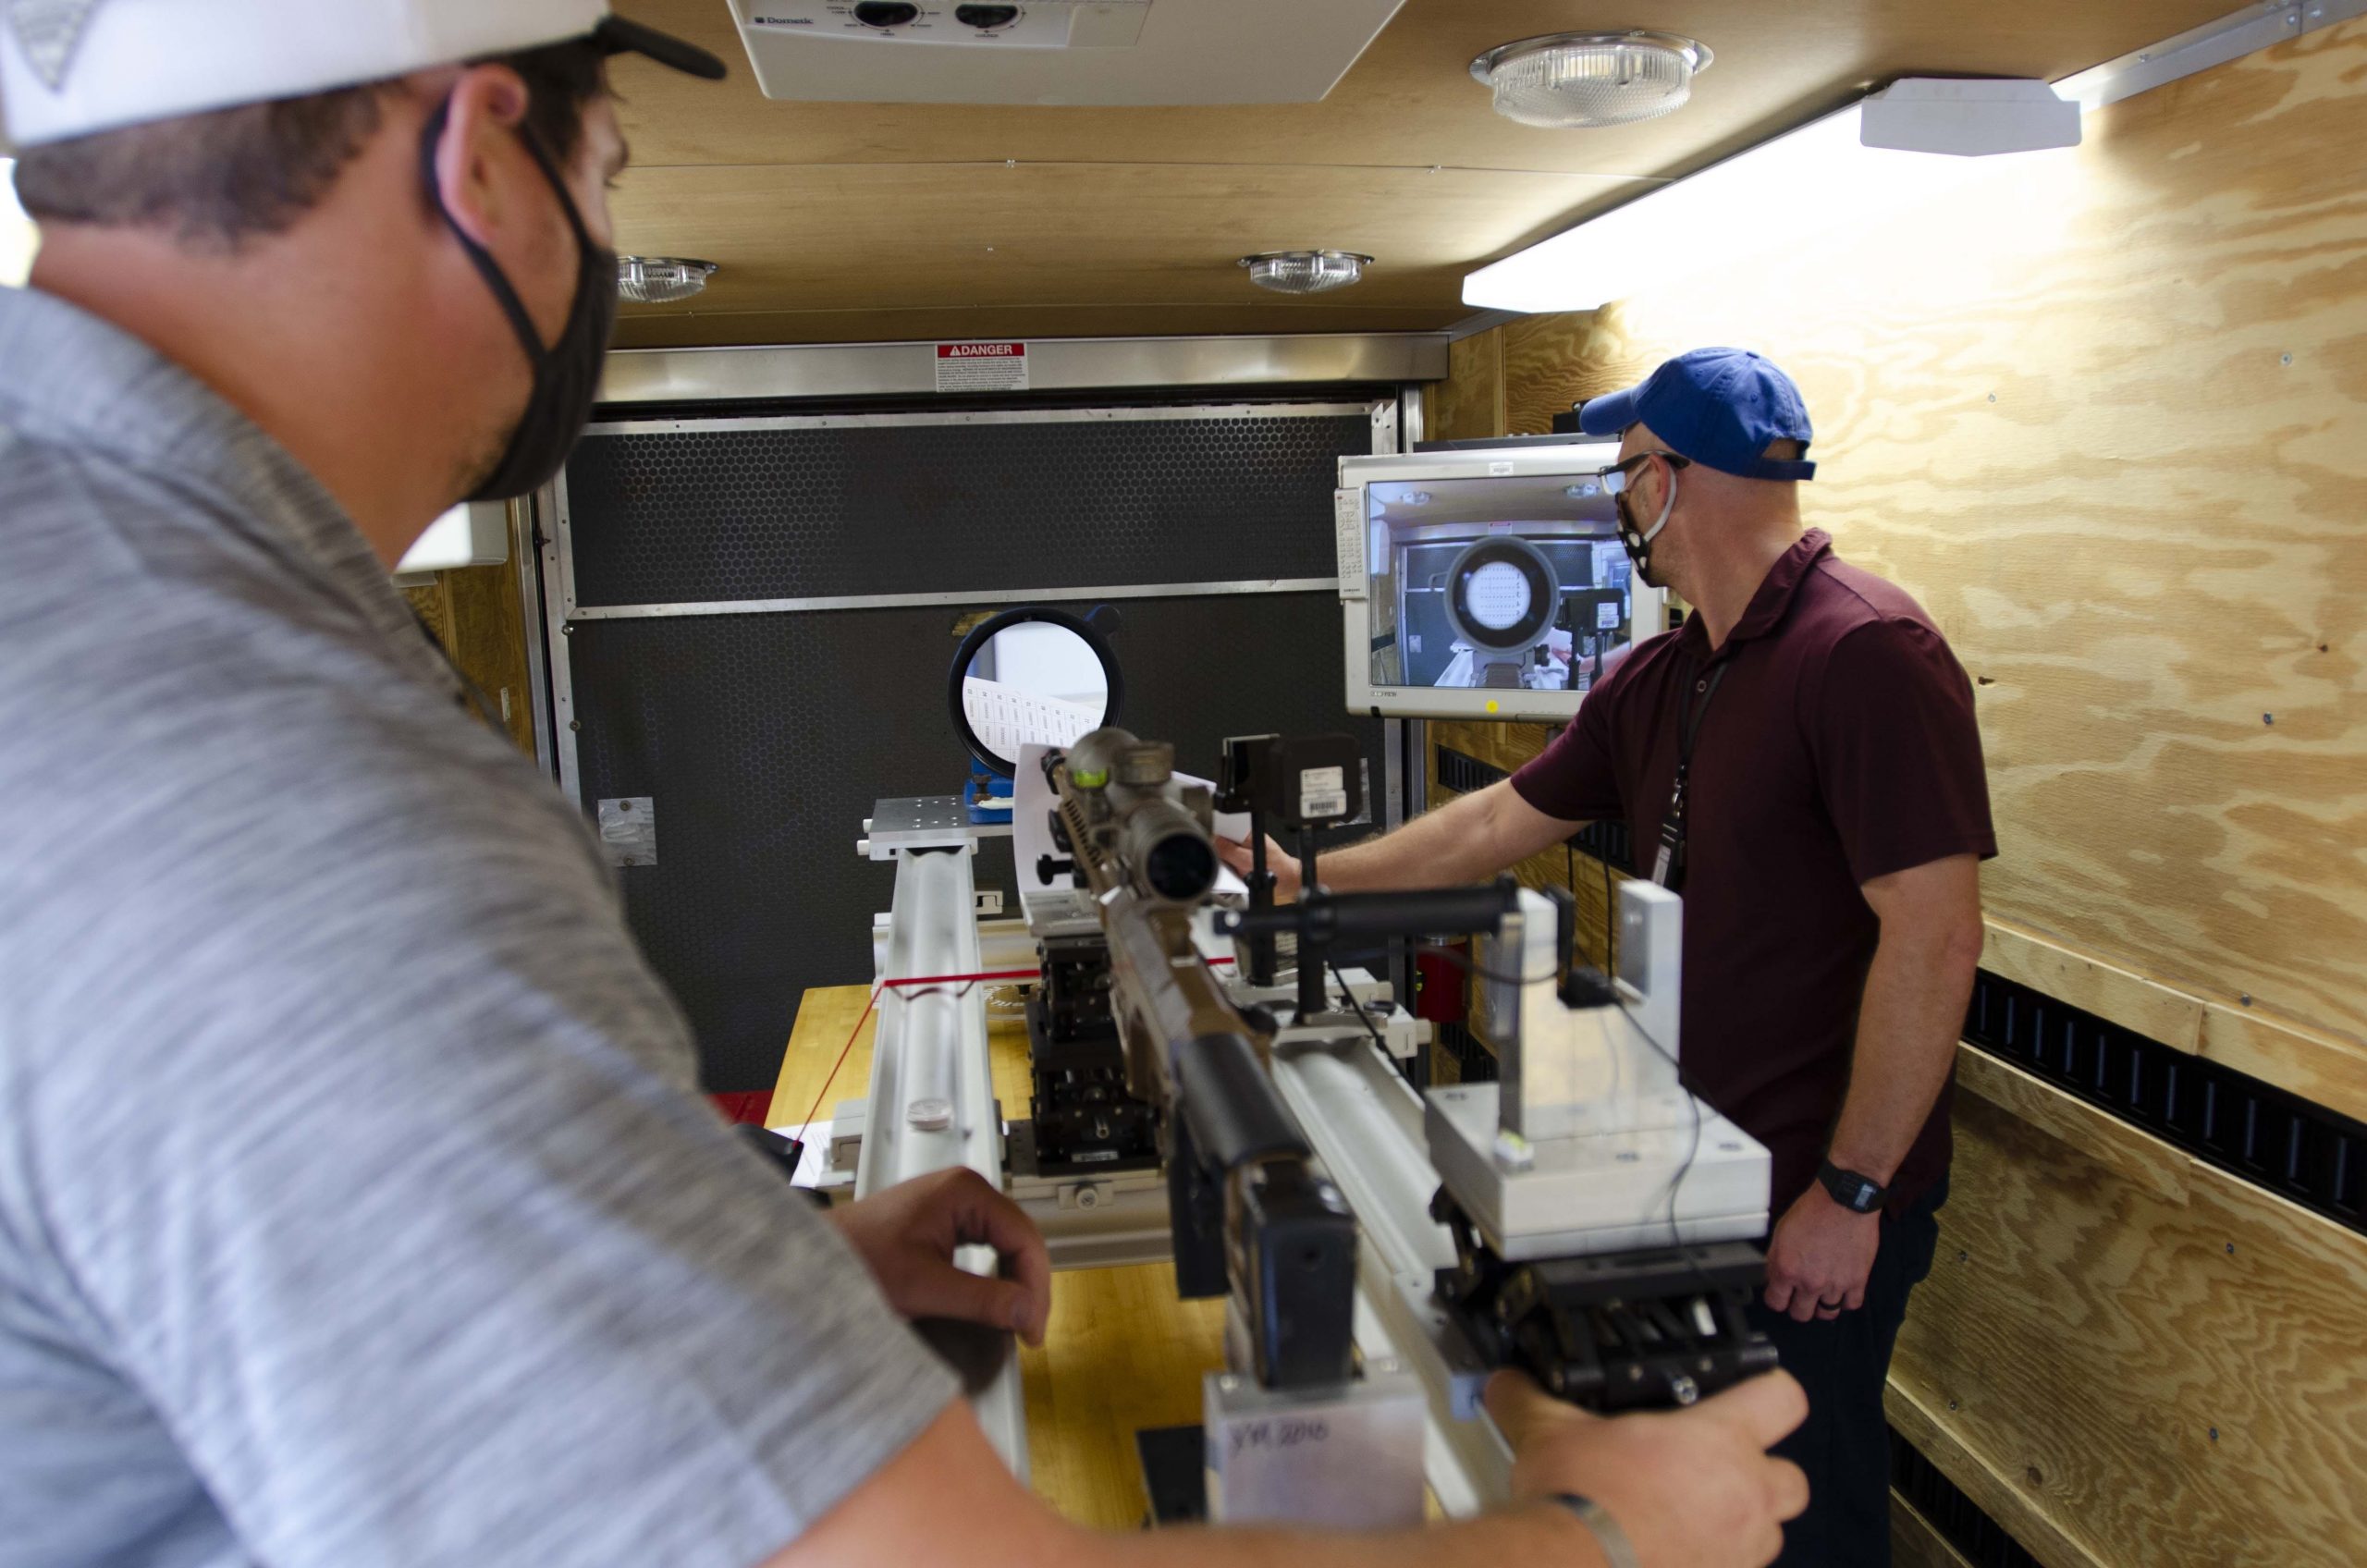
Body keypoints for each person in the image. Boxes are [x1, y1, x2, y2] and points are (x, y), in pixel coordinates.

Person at [0, 8, 1809, 1566]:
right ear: (485, 158)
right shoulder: (254, 761)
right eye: (608, 171)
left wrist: (739, 1290)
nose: (600, 238)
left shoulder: (103, 608)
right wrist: (1593, 1530)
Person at [1223, 349, 1994, 1568]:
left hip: (1809, 1191)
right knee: (1694, 1500)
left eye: (1626, 470)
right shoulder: (1663, 677)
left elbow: (1938, 932)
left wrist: (1849, 1195)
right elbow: (1489, 825)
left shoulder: (1866, 654)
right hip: (1683, 1176)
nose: (1621, 499)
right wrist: (1299, 880)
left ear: (1669, 480)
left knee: (1805, 1502)